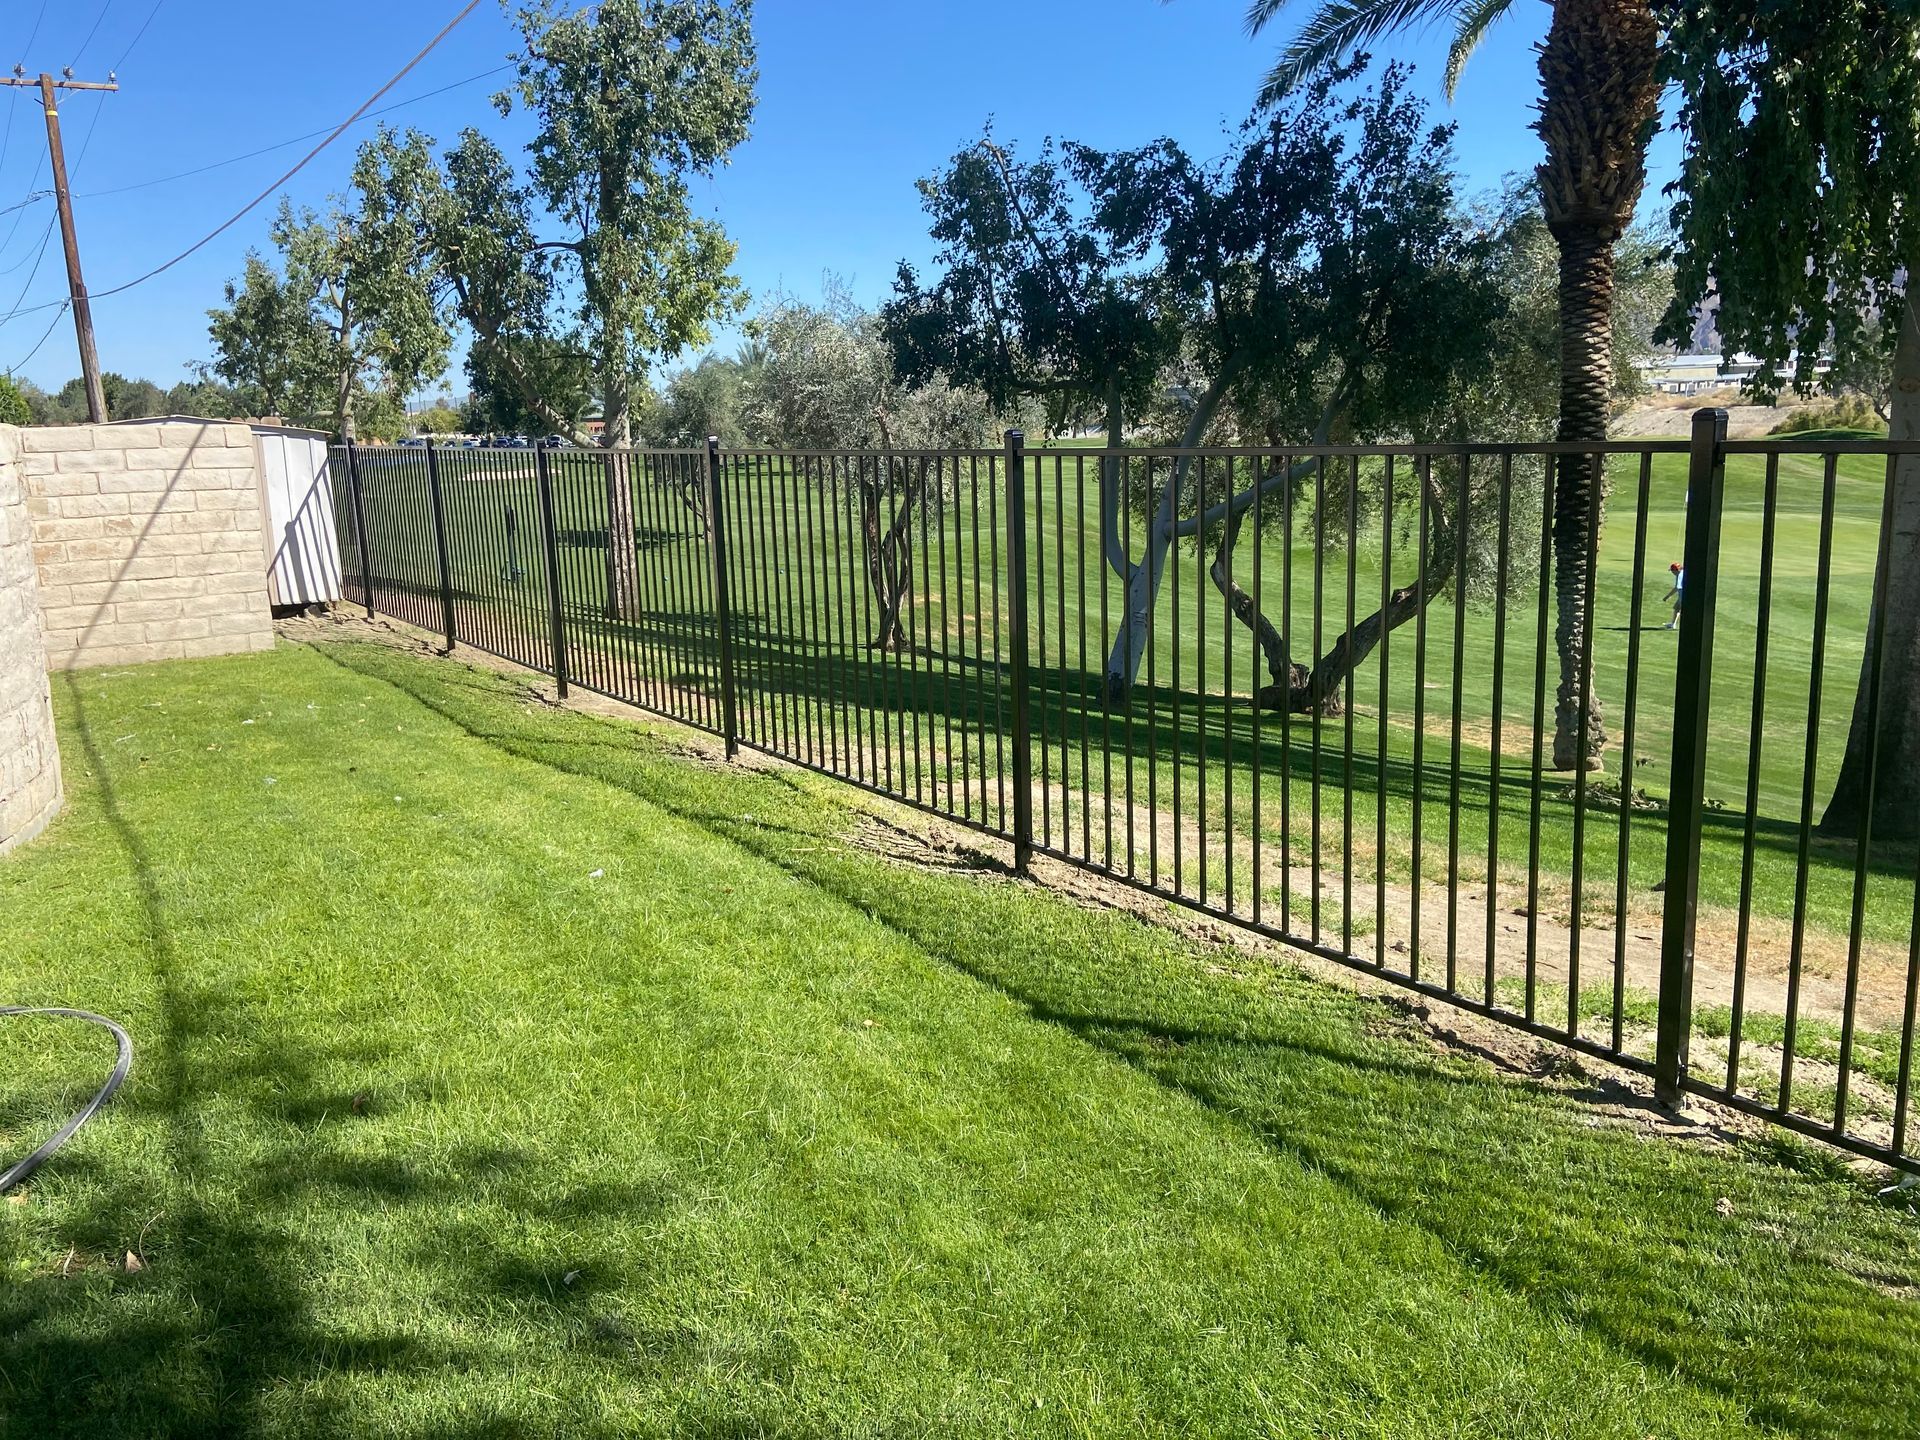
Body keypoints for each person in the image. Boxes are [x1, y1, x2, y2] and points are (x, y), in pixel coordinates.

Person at [1662, 562, 1684, 630]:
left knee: (1679, 609)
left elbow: (1676, 588)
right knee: (1676, 608)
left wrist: (1667, 596)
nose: (1672, 572)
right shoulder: (1682, 572)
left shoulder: (1679, 576)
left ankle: (1673, 624)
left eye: (1672, 571)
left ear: (1675, 571)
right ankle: (1673, 624)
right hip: (1682, 595)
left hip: (1683, 596)